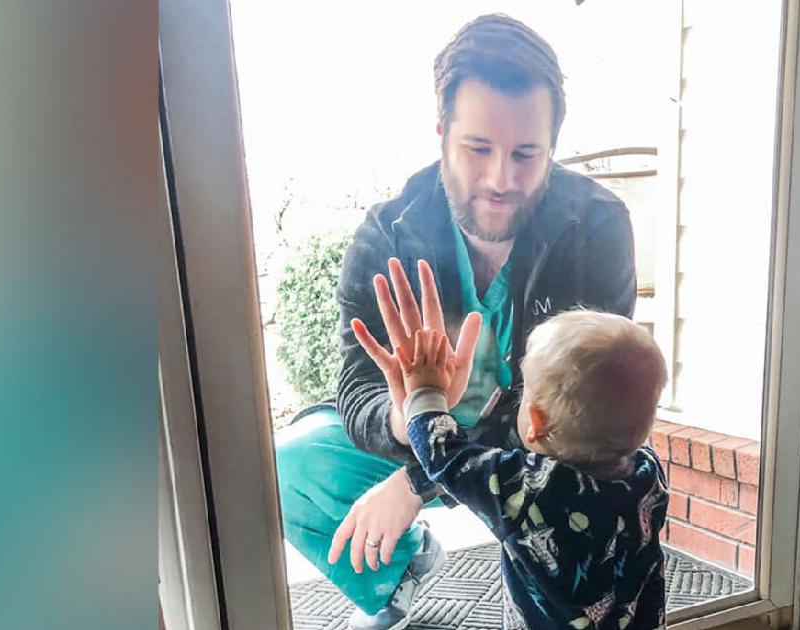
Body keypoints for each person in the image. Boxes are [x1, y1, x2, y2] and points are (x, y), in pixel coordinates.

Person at [273, 13, 638, 629]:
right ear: (441, 132)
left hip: (542, 441)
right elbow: (356, 388)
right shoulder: (384, 233)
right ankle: (402, 570)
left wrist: (419, 480)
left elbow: (587, 401)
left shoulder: (597, 228)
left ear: (554, 146)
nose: (501, 179)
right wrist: (410, 409)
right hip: (417, 424)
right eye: (477, 149)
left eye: (527, 154)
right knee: (287, 462)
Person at [342, 308, 669, 629]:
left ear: (536, 423)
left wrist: (425, 392)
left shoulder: (528, 488)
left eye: (524, 390)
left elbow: (446, 456)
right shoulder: (649, 473)